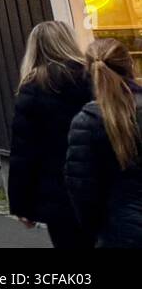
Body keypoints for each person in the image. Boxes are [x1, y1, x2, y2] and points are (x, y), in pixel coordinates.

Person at [7, 21, 93, 247]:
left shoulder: (34, 87)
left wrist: (21, 204)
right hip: (100, 182)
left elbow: (23, 152)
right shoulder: (93, 78)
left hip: (58, 191)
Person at [65, 39, 142, 247]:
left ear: (88, 72)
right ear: (130, 65)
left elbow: (82, 189)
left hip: (119, 230)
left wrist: (96, 229)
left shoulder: (87, 122)